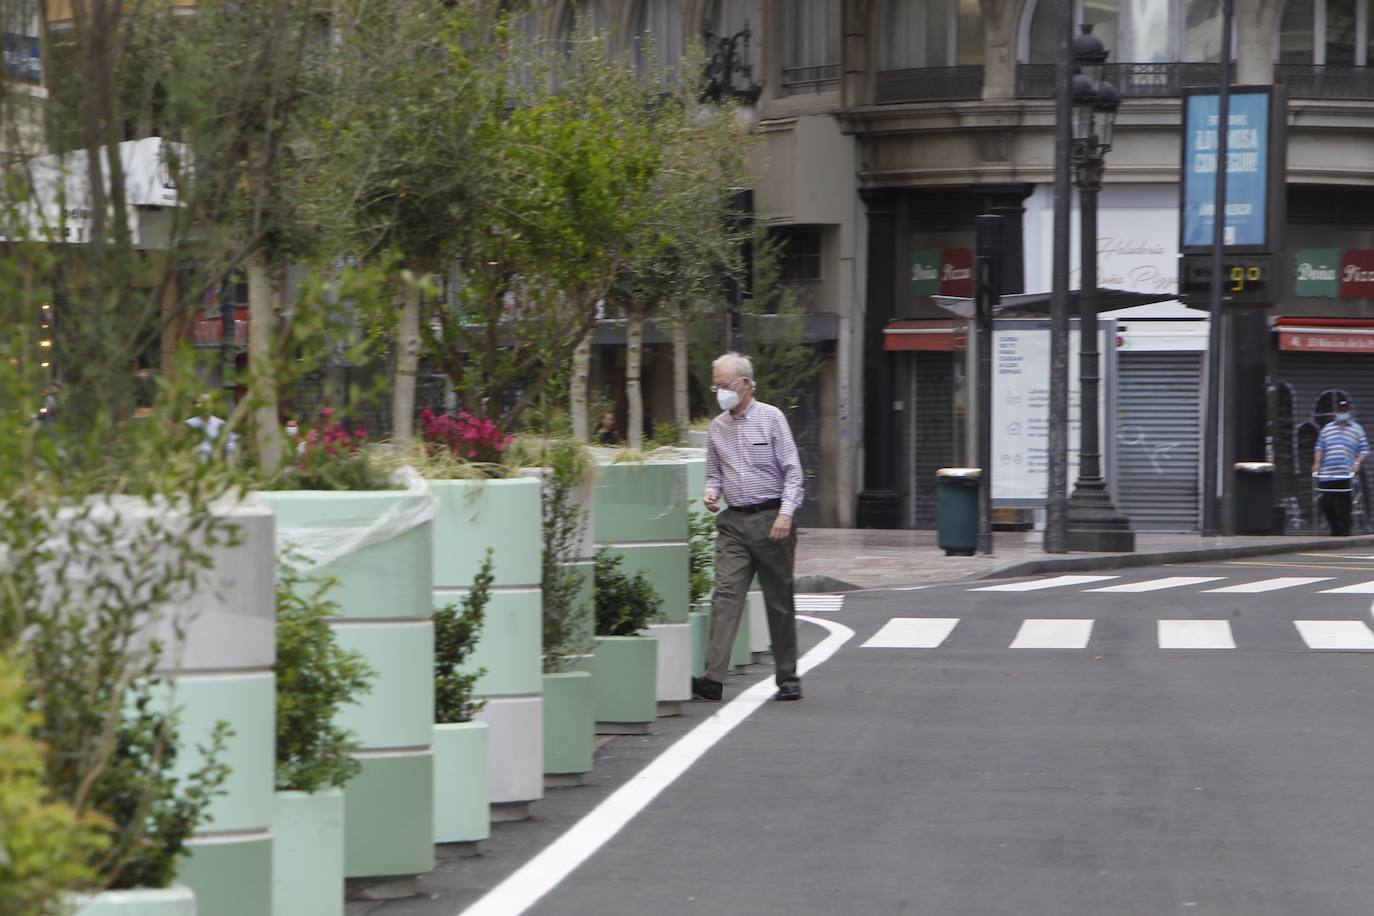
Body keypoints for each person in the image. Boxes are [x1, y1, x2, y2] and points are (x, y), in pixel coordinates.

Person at [692, 352, 805, 703]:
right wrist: (711, 492)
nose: (719, 392)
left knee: (779, 602)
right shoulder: (716, 428)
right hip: (734, 523)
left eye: (724, 385)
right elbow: (714, 474)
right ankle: (713, 678)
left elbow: (793, 473)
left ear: (744, 384)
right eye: (716, 387)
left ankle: (788, 678)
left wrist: (786, 514)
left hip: (772, 521)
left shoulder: (772, 419)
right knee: (725, 596)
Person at [1312, 397, 1369, 536]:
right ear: (1336, 412)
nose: (1342, 413)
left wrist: (1357, 463)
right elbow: (1319, 447)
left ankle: (1344, 532)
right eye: (1340, 411)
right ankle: (1335, 527)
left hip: (1346, 472)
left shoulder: (1357, 429)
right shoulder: (1327, 428)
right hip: (1328, 473)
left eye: (1345, 411)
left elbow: (1364, 449)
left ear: (1349, 412)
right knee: (1326, 503)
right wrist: (1317, 463)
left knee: (1345, 504)